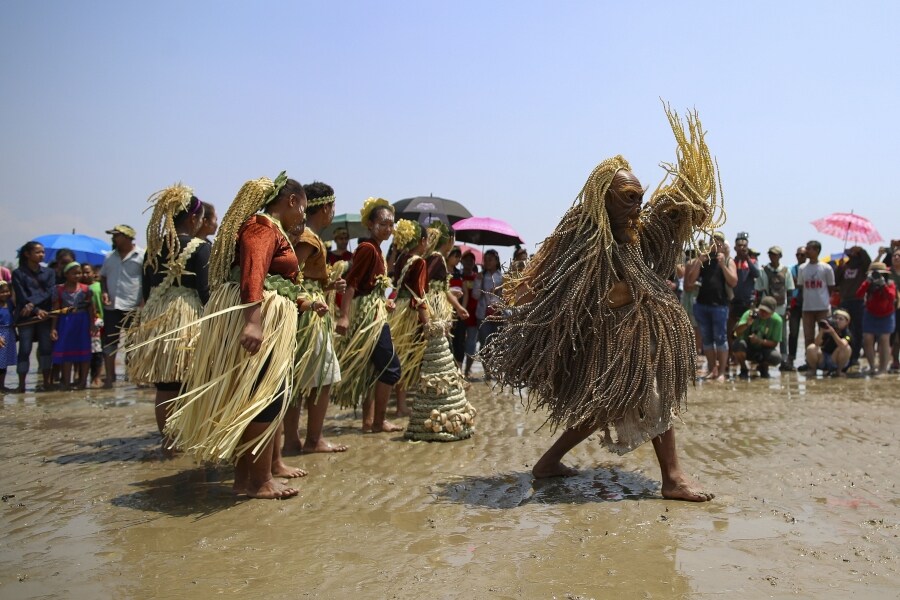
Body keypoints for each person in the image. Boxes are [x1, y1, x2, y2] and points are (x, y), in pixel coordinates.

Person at [481, 106, 719, 502]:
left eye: (640, 199)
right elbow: (564, 291)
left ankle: (551, 463)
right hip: (609, 343)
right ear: (601, 197)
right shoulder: (580, 237)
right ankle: (671, 478)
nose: (636, 208)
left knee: (621, 401)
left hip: (630, 343)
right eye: (627, 199)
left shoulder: (632, 235)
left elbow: (659, 237)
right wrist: (613, 298)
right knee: (630, 398)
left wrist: (684, 213)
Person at [165, 172, 311, 499]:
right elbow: (253, 273)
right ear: (291, 201)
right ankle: (259, 481)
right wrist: (253, 322)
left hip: (271, 317)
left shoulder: (272, 228)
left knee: (261, 395)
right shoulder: (261, 227)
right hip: (261, 318)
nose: (302, 214)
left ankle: (246, 479)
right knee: (263, 397)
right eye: (302, 207)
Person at [125, 187, 209, 453]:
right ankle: (190, 434)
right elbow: (206, 291)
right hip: (188, 317)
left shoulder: (154, 248)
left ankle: (170, 441)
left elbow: (147, 290)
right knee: (192, 379)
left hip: (157, 318)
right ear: (194, 219)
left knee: (166, 382)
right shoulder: (201, 248)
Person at [283, 181, 348, 455]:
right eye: (333, 207)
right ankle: (312, 440)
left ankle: (294, 441)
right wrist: (310, 298)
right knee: (322, 377)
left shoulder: (303, 234)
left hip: (306, 307)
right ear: (326, 208)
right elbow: (291, 273)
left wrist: (327, 286)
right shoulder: (308, 237)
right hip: (309, 313)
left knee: (299, 377)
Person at [333, 197, 403, 433]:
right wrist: (344, 317)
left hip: (374, 311)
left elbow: (367, 285)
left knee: (373, 368)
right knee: (391, 368)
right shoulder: (367, 249)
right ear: (370, 224)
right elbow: (351, 284)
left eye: (391, 224)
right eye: (383, 223)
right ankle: (379, 421)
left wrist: (384, 303)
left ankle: (369, 421)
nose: (388, 228)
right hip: (368, 317)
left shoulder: (376, 250)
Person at [386, 219, 433, 417]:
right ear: (422, 241)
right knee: (406, 358)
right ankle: (401, 406)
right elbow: (419, 295)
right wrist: (428, 323)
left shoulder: (402, 258)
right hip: (410, 314)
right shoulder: (420, 262)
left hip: (398, 311)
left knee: (399, 354)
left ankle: (399, 403)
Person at [684, 231, 736, 381]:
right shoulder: (704, 260)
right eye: (713, 241)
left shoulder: (727, 261)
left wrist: (722, 264)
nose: (716, 244)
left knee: (720, 338)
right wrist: (699, 261)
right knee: (707, 339)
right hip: (702, 305)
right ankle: (713, 369)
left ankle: (721, 372)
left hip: (720, 305)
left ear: (723, 244)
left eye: (719, 241)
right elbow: (689, 282)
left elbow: (733, 281)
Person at [99, 224, 144, 387]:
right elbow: (102, 277)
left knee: (134, 343)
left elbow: (147, 280)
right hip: (112, 306)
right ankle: (110, 378)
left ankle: (132, 376)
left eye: (116, 235)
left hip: (133, 306)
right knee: (110, 343)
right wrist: (104, 292)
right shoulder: (109, 257)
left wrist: (143, 302)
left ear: (127, 237)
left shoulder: (142, 256)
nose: (113, 238)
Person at [11, 241, 56, 392]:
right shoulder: (18, 273)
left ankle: (47, 383)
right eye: (38, 252)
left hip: (44, 316)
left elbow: (49, 292)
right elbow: (21, 295)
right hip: (26, 317)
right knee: (24, 350)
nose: (41, 254)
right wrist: (35, 309)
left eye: (43, 252)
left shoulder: (49, 272)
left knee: (45, 349)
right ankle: (21, 385)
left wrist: (33, 306)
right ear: (27, 254)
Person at [50, 262, 95, 389]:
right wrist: (53, 328)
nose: (77, 275)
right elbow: (56, 309)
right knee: (66, 352)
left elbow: (91, 308)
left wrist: (92, 324)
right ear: (66, 274)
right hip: (65, 323)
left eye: (79, 273)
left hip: (82, 322)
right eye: (74, 273)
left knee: (84, 352)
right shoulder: (58, 289)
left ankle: (82, 382)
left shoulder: (86, 289)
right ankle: (66, 382)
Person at [796, 240, 835, 371]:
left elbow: (831, 287)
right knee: (808, 337)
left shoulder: (826, 268)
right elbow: (801, 287)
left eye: (809, 249)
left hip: (823, 307)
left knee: (824, 336)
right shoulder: (802, 268)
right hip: (807, 307)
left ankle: (823, 361)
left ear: (817, 251)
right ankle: (810, 362)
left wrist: (824, 300)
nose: (807, 251)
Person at [755, 246, 795, 366]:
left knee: (782, 335)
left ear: (780, 256)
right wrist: (757, 307)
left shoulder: (786, 271)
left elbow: (790, 291)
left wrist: (788, 309)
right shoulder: (763, 270)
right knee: (763, 331)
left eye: (775, 254)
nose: (773, 256)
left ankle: (784, 359)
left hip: (781, 307)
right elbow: (759, 291)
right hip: (765, 307)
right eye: (771, 254)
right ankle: (762, 358)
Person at [856, 261, 896, 376]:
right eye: (874, 273)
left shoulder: (889, 283)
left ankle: (883, 369)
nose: (877, 275)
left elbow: (891, 297)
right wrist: (867, 282)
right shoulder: (867, 282)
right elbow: (858, 295)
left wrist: (883, 284)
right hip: (870, 313)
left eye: (880, 273)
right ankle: (872, 367)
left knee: (884, 339)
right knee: (867, 338)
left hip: (887, 315)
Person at [834, 246, 871, 369]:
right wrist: (839, 268)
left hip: (858, 302)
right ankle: (846, 355)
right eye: (850, 253)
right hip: (845, 302)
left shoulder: (862, 267)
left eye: (854, 253)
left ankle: (855, 356)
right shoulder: (845, 266)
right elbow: (836, 282)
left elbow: (868, 262)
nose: (851, 255)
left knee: (858, 330)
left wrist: (861, 250)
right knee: (845, 330)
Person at [732, 296, 783, 379]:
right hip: (746, 347)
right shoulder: (751, 313)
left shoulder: (777, 320)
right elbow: (734, 334)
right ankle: (744, 369)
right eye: (761, 310)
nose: (763, 313)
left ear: (772, 312)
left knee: (776, 357)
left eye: (766, 311)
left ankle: (763, 367)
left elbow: (774, 343)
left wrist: (759, 341)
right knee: (737, 344)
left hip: (763, 349)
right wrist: (746, 324)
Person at [472, 248, 503, 376]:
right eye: (486, 260)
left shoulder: (503, 277)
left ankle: (499, 371)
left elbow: (509, 297)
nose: (487, 262)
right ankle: (488, 372)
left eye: (490, 259)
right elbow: (475, 295)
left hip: (500, 315)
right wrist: (479, 281)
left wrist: (500, 290)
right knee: (485, 344)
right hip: (483, 315)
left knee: (500, 344)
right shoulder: (480, 276)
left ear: (496, 261)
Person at [727, 232, 759, 351]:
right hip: (733, 302)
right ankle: (732, 354)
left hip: (748, 302)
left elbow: (757, 274)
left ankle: (744, 354)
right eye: (739, 245)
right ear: (735, 248)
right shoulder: (731, 262)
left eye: (744, 246)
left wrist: (748, 259)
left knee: (746, 328)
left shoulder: (753, 262)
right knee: (731, 330)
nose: (742, 248)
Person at [805, 310, 852, 376]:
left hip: (835, 360)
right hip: (824, 358)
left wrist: (833, 333)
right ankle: (813, 370)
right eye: (836, 318)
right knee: (811, 347)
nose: (837, 320)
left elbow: (843, 345)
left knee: (847, 348)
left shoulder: (847, 333)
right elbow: (817, 343)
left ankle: (839, 371)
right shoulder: (828, 329)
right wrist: (821, 331)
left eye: (841, 319)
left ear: (847, 322)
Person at [783, 246, 808, 370]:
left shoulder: (809, 269)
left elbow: (801, 284)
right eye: (798, 255)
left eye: (802, 255)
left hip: (808, 304)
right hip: (794, 304)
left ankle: (808, 359)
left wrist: (798, 283)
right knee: (793, 333)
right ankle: (791, 358)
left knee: (808, 333)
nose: (800, 257)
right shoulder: (791, 269)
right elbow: (790, 285)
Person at [80, 264, 105, 387]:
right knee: (87, 350)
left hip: (99, 320)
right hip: (85, 322)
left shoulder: (99, 286)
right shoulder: (81, 288)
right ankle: (84, 378)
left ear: (93, 273)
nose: (85, 275)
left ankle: (97, 377)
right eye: (82, 272)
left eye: (87, 272)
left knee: (98, 351)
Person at [0, 281, 16, 391]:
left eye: (7, 291)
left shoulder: (10, 303)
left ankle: (2, 386)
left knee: (4, 363)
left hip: (9, 333)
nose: (5, 294)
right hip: (0, 334)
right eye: (2, 292)